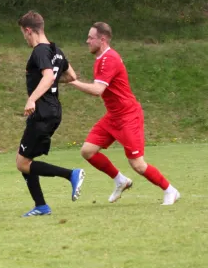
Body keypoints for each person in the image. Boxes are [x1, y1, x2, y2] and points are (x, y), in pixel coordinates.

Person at [67, 22, 180, 205]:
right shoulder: (100, 58)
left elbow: (97, 90)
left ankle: (170, 190)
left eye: (91, 37)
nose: (87, 41)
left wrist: (72, 82)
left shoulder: (109, 58)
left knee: (137, 164)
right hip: (113, 116)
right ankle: (120, 180)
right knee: (87, 151)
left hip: (128, 116)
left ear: (102, 39)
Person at [16, 11, 85, 217]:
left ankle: (71, 175)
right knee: (26, 161)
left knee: (22, 163)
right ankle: (41, 206)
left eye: (24, 34)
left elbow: (47, 77)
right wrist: (52, 80)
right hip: (54, 111)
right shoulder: (57, 50)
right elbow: (71, 75)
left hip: (42, 112)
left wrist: (32, 99)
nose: (25, 39)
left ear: (29, 30)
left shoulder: (39, 52)